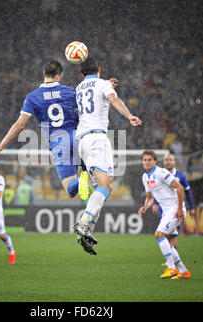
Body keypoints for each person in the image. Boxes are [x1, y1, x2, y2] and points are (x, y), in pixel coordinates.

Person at [0, 60, 116, 256]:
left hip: (59, 143)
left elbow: (20, 125)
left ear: (44, 74)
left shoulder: (33, 97)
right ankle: (87, 219)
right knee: (104, 184)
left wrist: (1, 145)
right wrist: (104, 85)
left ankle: (80, 182)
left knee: (71, 190)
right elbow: (87, 104)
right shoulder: (68, 91)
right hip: (79, 137)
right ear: (59, 76)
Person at [72, 57, 142, 254]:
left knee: (103, 188)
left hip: (83, 142)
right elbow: (114, 99)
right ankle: (84, 223)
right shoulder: (102, 84)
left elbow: (94, 95)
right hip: (97, 139)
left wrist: (106, 85)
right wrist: (130, 116)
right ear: (100, 70)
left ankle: (85, 232)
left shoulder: (79, 88)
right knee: (105, 186)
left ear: (81, 74)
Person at [138, 150, 191, 279]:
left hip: (174, 210)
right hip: (166, 211)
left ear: (155, 161)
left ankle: (171, 268)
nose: (147, 162)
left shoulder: (161, 173)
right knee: (166, 240)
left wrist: (179, 209)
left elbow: (179, 187)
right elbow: (150, 197)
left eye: (149, 160)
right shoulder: (145, 177)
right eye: (144, 160)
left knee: (159, 234)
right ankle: (183, 271)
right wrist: (145, 206)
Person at [152, 153, 195, 251]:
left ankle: (171, 260)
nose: (168, 162)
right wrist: (155, 203)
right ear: (163, 162)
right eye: (166, 160)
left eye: (170, 160)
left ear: (174, 162)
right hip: (163, 208)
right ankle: (171, 259)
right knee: (166, 234)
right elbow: (157, 191)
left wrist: (192, 207)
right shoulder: (159, 175)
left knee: (171, 234)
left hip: (175, 208)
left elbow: (188, 193)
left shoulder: (181, 176)